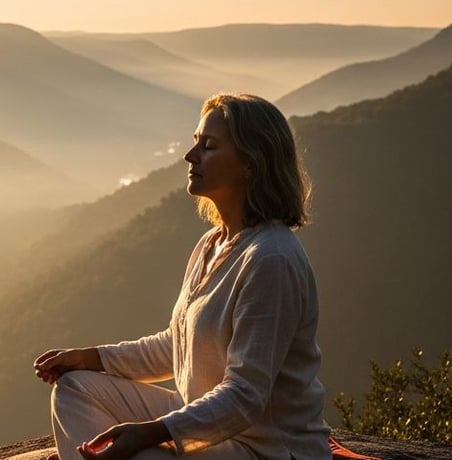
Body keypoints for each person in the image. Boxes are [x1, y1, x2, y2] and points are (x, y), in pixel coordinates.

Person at [33, 93, 331, 460]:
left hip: (262, 448)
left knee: (138, 455)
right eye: (195, 144)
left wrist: (152, 433)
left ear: (251, 162)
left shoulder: (270, 259)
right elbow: (177, 345)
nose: (191, 157)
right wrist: (90, 358)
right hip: (207, 426)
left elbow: (246, 397)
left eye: (208, 146)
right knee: (75, 388)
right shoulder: (212, 244)